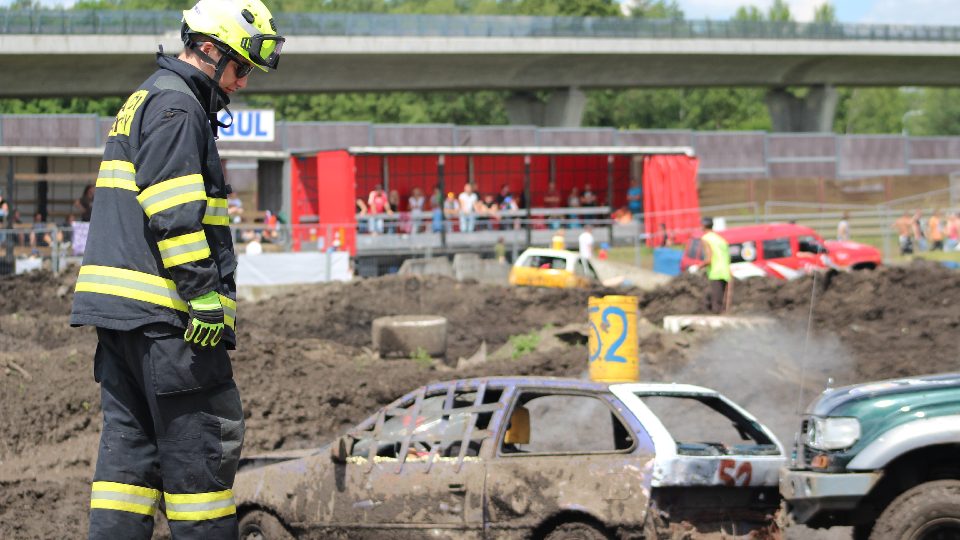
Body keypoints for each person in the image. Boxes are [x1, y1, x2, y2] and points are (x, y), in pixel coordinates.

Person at [70, 1, 284, 538]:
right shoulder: (179, 107)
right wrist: (205, 297)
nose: (244, 81)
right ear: (209, 50)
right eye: (240, 66)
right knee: (200, 463)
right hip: (172, 325)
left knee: (128, 468)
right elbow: (175, 213)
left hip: (123, 324)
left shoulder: (147, 97)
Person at [700, 217, 731, 315]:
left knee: (716, 303)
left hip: (715, 272)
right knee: (722, 301)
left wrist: (698, 267)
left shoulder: (706, 238)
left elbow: (709, 259)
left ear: (703, 226)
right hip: (725, 271)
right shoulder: (720, 239)